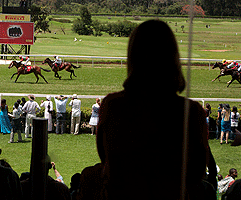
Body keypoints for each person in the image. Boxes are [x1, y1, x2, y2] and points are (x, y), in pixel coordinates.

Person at [81, 20, 212, 200]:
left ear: (133, 57)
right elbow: (197, 172)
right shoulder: (192, 111)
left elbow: (106, 160)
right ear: (173, 57)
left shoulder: (112, 105)